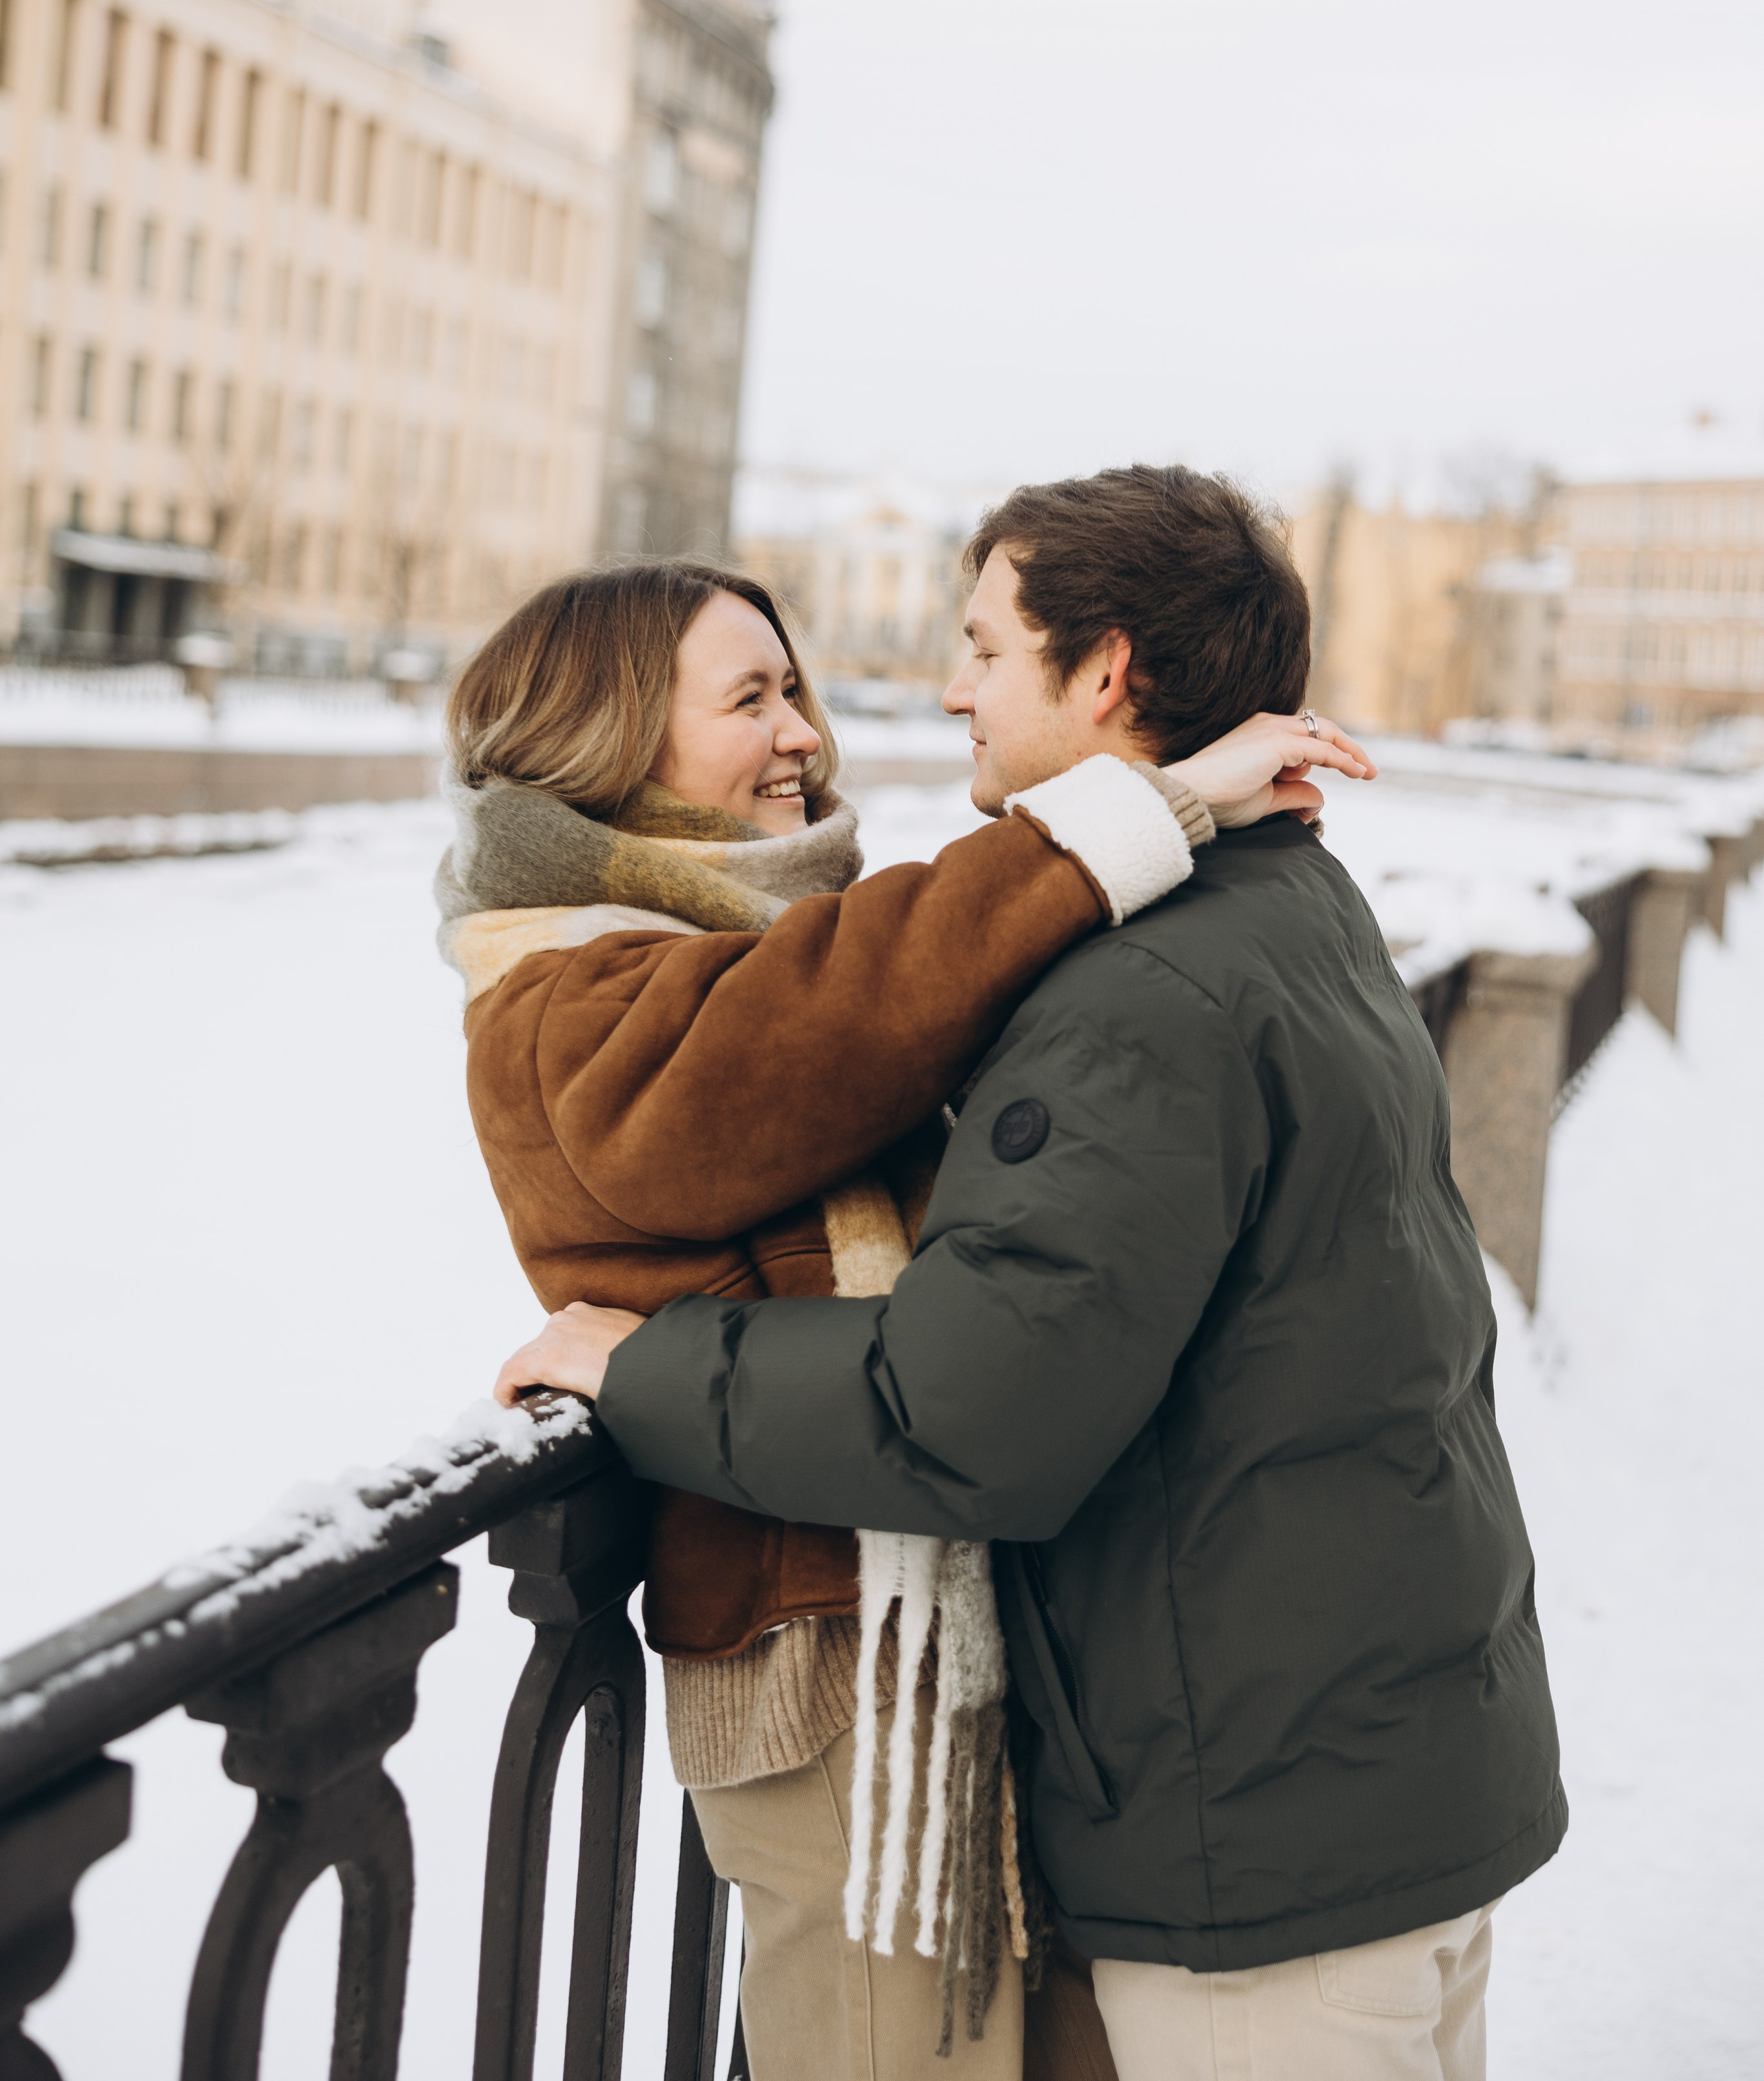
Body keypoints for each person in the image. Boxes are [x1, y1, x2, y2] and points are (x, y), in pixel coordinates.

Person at [495, 464, 1565, 2081]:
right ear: (611, 743)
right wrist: (1159, 809)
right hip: (1104, 1724)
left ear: (1105, 674)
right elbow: (839, 1015)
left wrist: (632, 1369)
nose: (904, 702)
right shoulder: (589, 994)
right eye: (755, 694)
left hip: (1240, 1786)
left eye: (983, 647)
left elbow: (962, 1401)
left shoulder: (1142, 979)